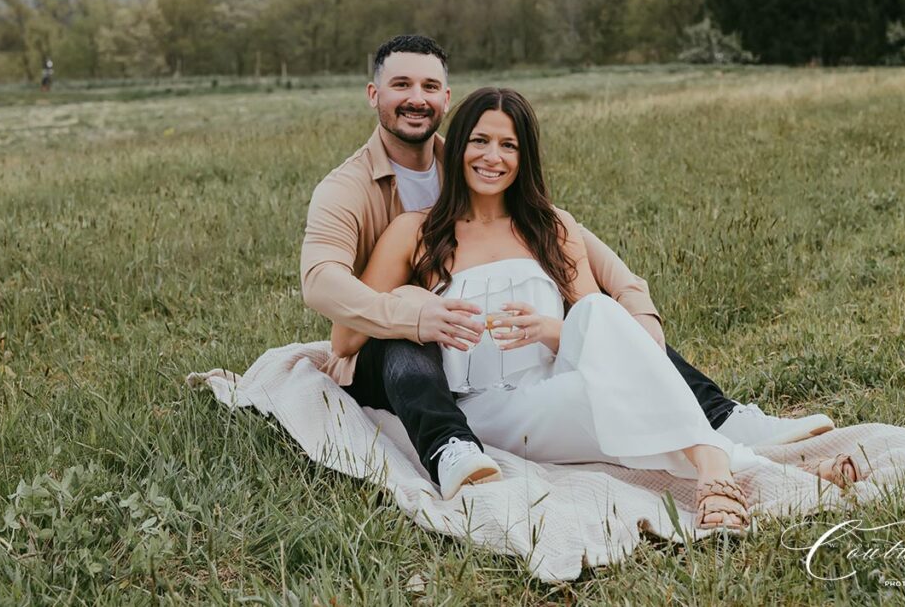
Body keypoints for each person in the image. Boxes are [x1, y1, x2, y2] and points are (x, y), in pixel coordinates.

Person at [301, 35, 833, 502]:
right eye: (400, 84)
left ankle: (765, 463)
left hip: (549, 385)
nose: (491, 155)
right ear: (375, 94)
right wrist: (412, 307)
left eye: (507, 145)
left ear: (445, 100)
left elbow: (599, 286)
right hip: (438, 377)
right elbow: (332, 305)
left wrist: (613, 327)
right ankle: (449, 446)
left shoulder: (539, 217)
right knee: (407, 341)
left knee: (612, 349)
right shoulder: (368, 202)